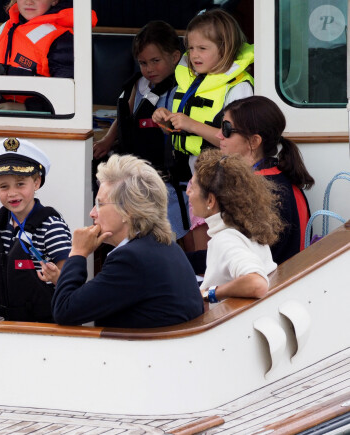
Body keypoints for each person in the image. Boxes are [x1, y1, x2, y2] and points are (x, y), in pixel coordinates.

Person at [50, 154, 204, 328]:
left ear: (128, 210)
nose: (92, 213)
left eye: (100, 204)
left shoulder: (131, 259)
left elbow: (64, 311)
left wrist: (77, 253)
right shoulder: (163, 246)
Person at [152, 8, 254, 251]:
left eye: (203, 48)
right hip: (197, 181)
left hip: (224, 188)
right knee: (200, 255)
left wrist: (190, 124)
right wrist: (169, 122)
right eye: (191, 48)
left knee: (216, 253)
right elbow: (185, 132)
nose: (194, 55)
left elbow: (239, 143)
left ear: (226, 47)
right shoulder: (196, 82)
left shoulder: (238, 88)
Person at [92, 20, 191, 241]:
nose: (149, 69)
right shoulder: (139, 84)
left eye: (156, 61)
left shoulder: (182, 88)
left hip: (168, 179)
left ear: (175, 57)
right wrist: (108, 140)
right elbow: (127, 118)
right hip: (135, 173)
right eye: (143, 63)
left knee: (169, 235)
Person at [0, 137, 72, 322]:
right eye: (3, 186)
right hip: (6, 323)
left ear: (36, 182)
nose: (12, 193)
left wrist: (57, 276)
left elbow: (70, 278)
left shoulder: (51, 227)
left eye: (20, 184)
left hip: (46, 325)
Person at [216, 95, 314, 264]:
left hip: (273, 285)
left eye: (226, 129)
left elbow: (233, 258)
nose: (219, 135)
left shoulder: (253, 190)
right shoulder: (281, 176)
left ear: (254, 141)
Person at [187, 150, 284, 304]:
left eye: (192, 187)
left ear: (210, 200)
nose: (187, 192)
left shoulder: (225, 240)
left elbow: (257, 284)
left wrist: (209, 293)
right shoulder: (249, 229)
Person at [0, 0, 98, 111]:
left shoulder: (62, 39)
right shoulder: (6, 28)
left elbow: (67, 94)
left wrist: (25, 108)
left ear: (54, 1)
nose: (29, 2)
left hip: (42, 118)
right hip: (0, 109)